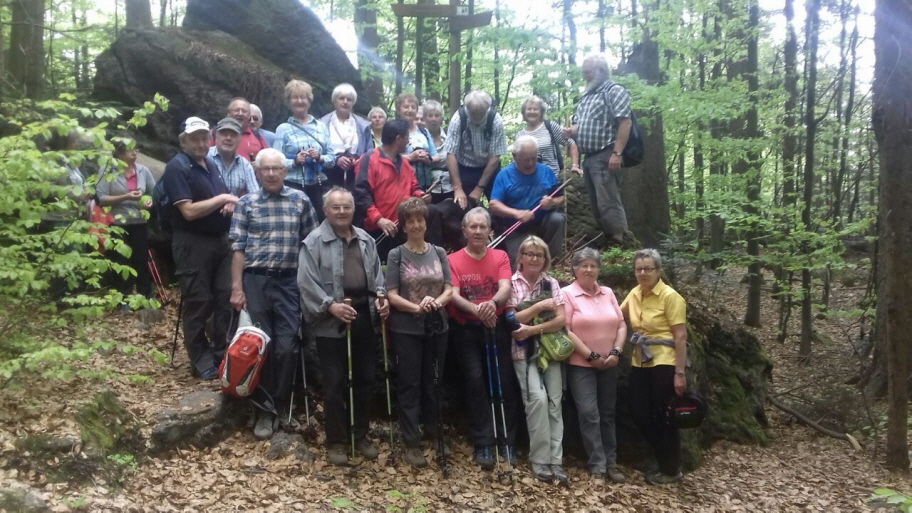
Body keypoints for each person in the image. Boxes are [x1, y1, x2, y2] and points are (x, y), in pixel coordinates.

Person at [229, 148, 319, 439]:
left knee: (287, 346)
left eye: (276, 168)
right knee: (259, 347)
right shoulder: (246, 203)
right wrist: (237, 287)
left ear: (285, 171)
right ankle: (264, 411)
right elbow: (238, 249)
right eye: (265, 169)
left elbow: (311, 245)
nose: (270, 173)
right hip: (255, 281)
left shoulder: (300, 200)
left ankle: (280, 403)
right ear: (257, 172)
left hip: (290, 282)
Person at [298, 187, 389, 464]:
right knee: (335, 383)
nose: (341, 212)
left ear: (353, 209)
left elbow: (376, 276)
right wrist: (330, 306)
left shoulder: (365, 240)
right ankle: (336, 440)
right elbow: (305, 282)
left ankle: (359, 435)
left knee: (364, 379)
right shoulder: (313, 242)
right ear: (325, 210)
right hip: (330, 322)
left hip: (363, 316)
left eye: (346, 207)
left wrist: (381, 298)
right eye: (335, 207)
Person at [162, 116, 239, 380]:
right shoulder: (177, 167)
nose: (201, 143)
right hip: (191, 242)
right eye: (195, 138)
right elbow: (189, 211)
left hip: (220, 240)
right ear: (184, 140)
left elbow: (220, 200)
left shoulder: (210, 165)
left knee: (224, 298)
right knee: (198, 301)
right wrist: (223, 198)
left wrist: (226, 204)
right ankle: (200, 359)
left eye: (205, 138)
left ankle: (220, 353)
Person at [447, 207, 519, 469]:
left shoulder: (500, 255)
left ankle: (508, 440)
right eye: (472, 227)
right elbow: (453, 294)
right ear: (464, 230)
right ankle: (483, 442)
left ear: (490, 231)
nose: (477, 231)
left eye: (482, 227)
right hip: (466, 328)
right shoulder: (453, 260)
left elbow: (505, 287)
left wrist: (491, 304)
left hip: (497, 327)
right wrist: (477, 309)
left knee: (504, 383)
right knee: (475, 382)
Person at [385, 197, 453, 468]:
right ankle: (411, 440)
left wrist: (436, 302)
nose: (416, 224)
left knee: (434, 382)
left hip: (438, 325)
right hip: (406, 329)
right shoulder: (396, 254)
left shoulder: (438, 252)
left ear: (426, 222)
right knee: (410, 383)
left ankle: (435, 432)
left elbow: (449, 287)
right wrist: (416, 307)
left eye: (419, 219)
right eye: (410, 220)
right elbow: (390, 294)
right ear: (403, 226)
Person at [620, 248, 688, 485]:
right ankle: (662, 456)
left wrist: (680, 373)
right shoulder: (635, 293)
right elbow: (617, 316)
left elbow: (680, 336)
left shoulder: (670, 297)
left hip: (664, 362)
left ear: (658, 271)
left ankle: (670, 468)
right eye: (639, 268)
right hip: (640, 360)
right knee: (638, 411)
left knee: (665, 415)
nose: (643, 273)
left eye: (648, 268)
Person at [562, 248, 626, 483]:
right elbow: (566, 330)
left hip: (610, 363)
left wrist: (617, 351)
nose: (589, 270)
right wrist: (590, 356)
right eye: (583, 265)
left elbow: (621, 324)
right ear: (575, 269)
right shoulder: (567, 293)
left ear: (599, 268)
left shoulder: (607, 292)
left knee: (608, 414)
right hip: (581, 365)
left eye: (593, 265)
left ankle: (612, 462)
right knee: (589, 414)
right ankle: (597, 464)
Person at [506, 235, 567, 484]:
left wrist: (532, 328)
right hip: (523, 352)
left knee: (555, 402)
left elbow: (561, 319)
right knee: (537, 401)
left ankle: (556, 461)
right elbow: (512, 319)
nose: (534, 258)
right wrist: (541, 308)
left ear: (545, 259)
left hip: (550, 351)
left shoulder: (551, 283)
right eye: (529, 253)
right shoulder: (510, 283)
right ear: (520, 257)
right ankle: (539, 460)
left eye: (539, 255)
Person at [562, 54, 632, 245]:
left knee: (608, 200)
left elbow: (625, 122)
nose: (584, 76)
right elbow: (582, 126)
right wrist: (571, 131)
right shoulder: (587, 96)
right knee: (595, 202)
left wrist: (617, 153)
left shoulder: (613, 91)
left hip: (606, 153)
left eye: (588, 72)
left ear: (600, 71)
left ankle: (618, 240)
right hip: (589, 157)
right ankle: (607, 238)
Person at [353, 119, 442, 262]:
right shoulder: (369, 159)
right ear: (398, 139)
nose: (408, 141)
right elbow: (361, 194)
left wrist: (421, 195)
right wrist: (379, 219)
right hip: (378, 229)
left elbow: (414, 187)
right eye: (406, 137)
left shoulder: (405, 163)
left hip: (401, 226)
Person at [489, 136, 565, 266]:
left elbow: (562, 197)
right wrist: (516, 213)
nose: (530, 163)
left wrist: (552, 202)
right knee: (521, 265)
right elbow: (494, 205)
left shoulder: (546, 171)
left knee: (557, 219)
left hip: (543, 224)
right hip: (516, 229)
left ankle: (553, 263)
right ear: (515, 156)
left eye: (534, 158)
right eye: (526, 160)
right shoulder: (505, 175)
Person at [96, 141, 156, 304]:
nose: (135, 153)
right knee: (120, 261)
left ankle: (145, 298)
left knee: (141, 260)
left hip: (139, 222)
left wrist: (148, 201)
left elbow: (153, 192)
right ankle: (122, 299)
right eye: (130, 150)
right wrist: (126, 197)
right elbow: (101, 199)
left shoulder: (143, 170)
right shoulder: (108, 171)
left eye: (136, 149)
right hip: (118, 223)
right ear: (119, 153)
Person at [273, 79, 335, 219]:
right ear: (289, 102)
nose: (299, 101)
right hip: (292, 185)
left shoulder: (321, 127)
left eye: (303, 97)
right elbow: (276, 161)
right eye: (295, 97)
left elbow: (332, 159)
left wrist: (319, 157)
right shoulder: (283, 129)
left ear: (309, 100)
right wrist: (294, 161)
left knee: (321, 223)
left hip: (318, 185)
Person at [444, 89, 508, 209]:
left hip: (489, 167)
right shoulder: (458, 119)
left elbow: (494, 158)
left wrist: (479, 188)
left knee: (500, 204)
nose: (477, 116)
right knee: (463, 206)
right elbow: (450, 155)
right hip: (464, 168)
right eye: (473, 113)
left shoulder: (495, 120)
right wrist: (458, 188)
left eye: (481, 113)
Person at [319, 83, 371, 190]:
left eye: (349, 99)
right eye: (341, 98)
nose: (345, 102)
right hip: (329, 173)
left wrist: (358, 161)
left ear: (353, 103)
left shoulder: (363, 125)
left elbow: (370, 152)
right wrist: (336, 160)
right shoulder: (322, 124)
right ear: (334, 101)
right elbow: (318, 150)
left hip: (356, 175)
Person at [516, 96, 580, 177]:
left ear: (541, 112)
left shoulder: (550, 126)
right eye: (529, 109)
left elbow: (571, 144)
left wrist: (575, 166)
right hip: (529, 180)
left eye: (535, 109)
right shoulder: (520, 135)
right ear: (524, 112)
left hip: (553, 177)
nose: (532, 112)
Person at [396, 93, 441, 191]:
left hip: (424, 183)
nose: (410, 110)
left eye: (413, 107)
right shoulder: (392, 129)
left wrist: (428, 159)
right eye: (406, 107)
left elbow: (436, 156)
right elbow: (383, 155)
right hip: (400, 182)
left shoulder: (423, 131)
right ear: (398, 109)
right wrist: (410, 157)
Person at [207, 117, 259, 197]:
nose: (228, 138)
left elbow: (255, 197)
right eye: (224, 134)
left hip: (236, 208)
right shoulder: (205, 158)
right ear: (216, 136)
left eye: (233, 135)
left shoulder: (245, 165)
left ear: (240, 139)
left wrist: (237, 202)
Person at [422, 100, 453, 203]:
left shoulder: (450, 135)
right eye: (430, 116)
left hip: (450, 184)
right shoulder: (420, 138)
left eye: (437, 115)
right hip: (428, 186)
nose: (433, 119)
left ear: (441, 118)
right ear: (424, 118)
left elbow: (454, 158)